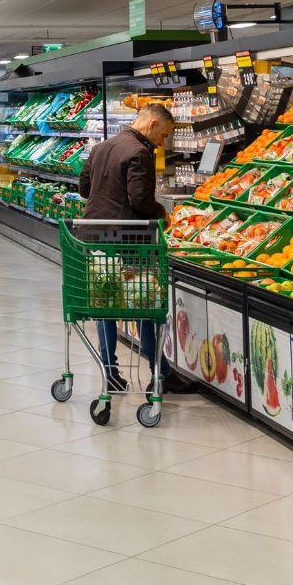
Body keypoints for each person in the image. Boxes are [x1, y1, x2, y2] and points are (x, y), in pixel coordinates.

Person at [79, 102, 178, 392]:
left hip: (93, 238)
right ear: (152, 126)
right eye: (163, 135)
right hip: (126, 239)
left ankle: (110, 371)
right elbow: (139, 200)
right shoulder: (140, 152)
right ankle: (160, 372)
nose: (162, 143)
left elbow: (84, 189)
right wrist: (163, 213)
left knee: (104, 303)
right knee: (143, 302)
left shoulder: (101, 147)